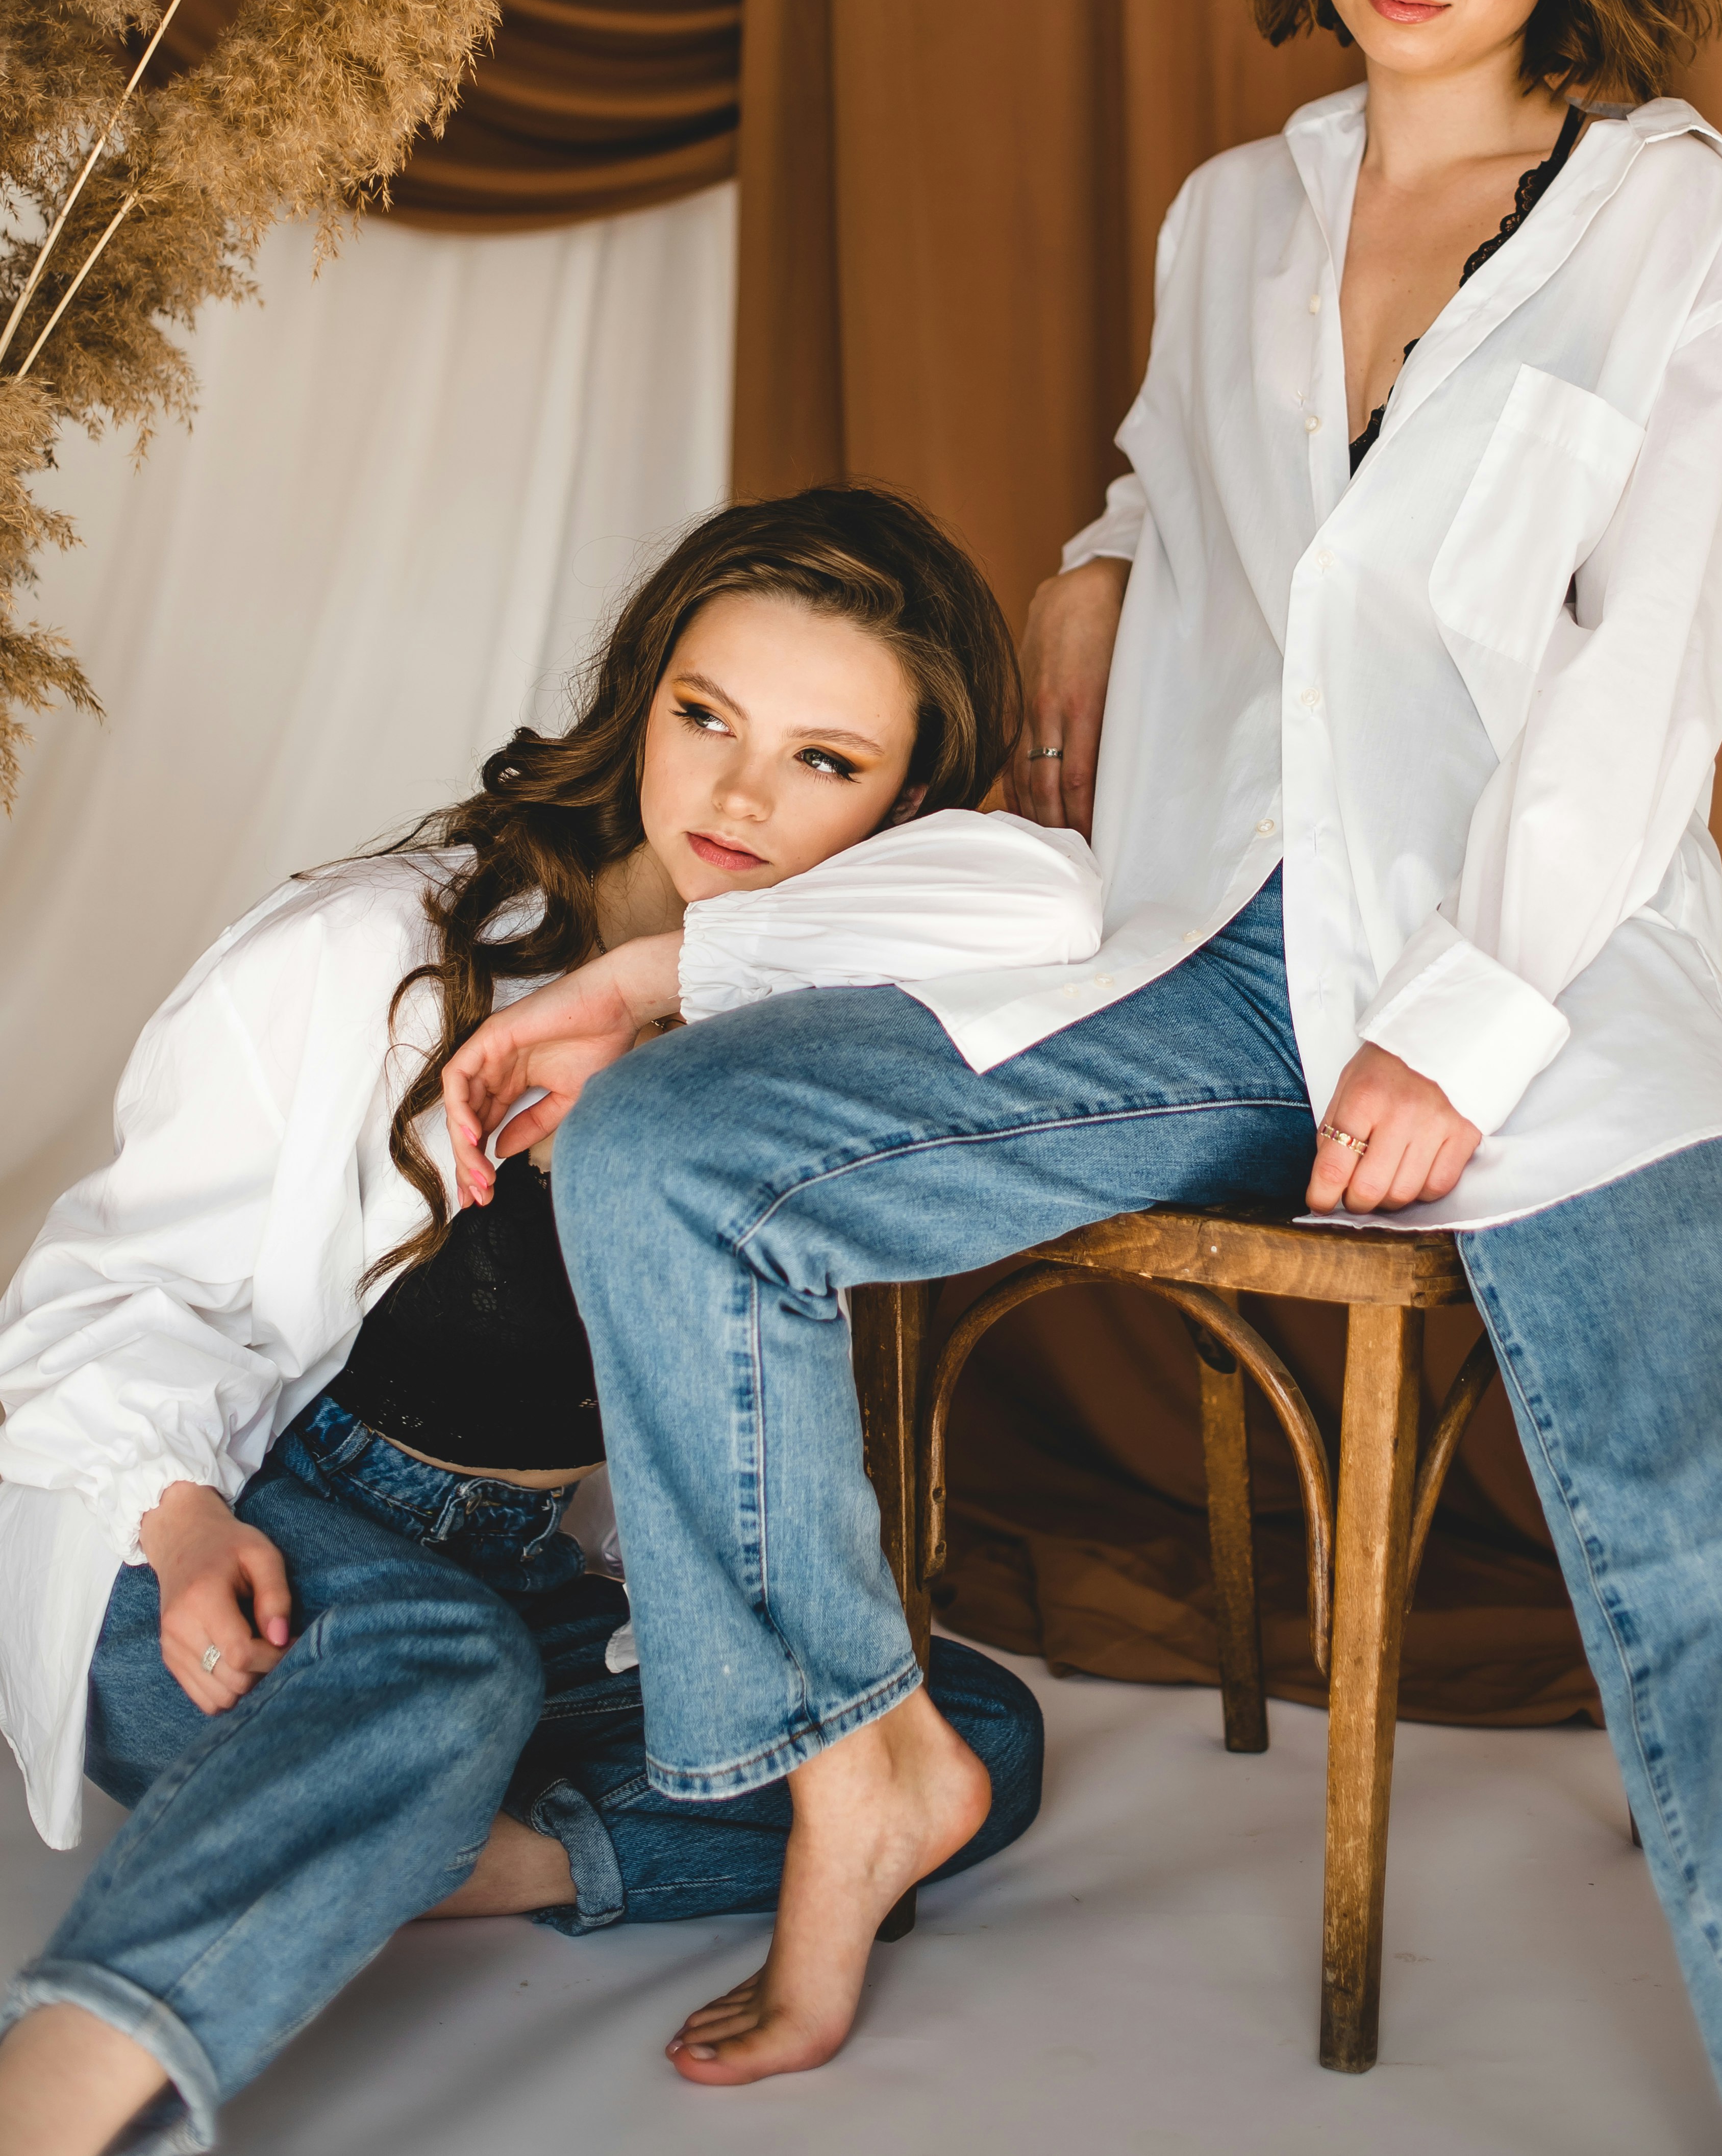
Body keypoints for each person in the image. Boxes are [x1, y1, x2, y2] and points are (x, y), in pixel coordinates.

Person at [473, 0, 1722, 2145]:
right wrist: (1092, 554)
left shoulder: (1662, 233)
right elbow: (1220, 508)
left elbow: (1648, 687)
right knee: (669, 1162)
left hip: (1550, 983)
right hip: (1203, 965)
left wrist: (1469, 1028)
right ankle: (857, 1770)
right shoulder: (1231, 222)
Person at [0, 486, 1101, 2156]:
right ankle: (49, 2097)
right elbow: (104, 1287)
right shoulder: (382, 946)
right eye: (708, 716)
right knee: (434, 1672)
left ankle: (446, 1854)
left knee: (974, 1741)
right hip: (240, 1564)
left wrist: (667, 983)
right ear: (642, 691)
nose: (738, 793)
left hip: (526, 1598)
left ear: (912, 800)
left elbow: (1057, 908)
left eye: (826, 760)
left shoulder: (811, 1012)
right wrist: (184, 1512)